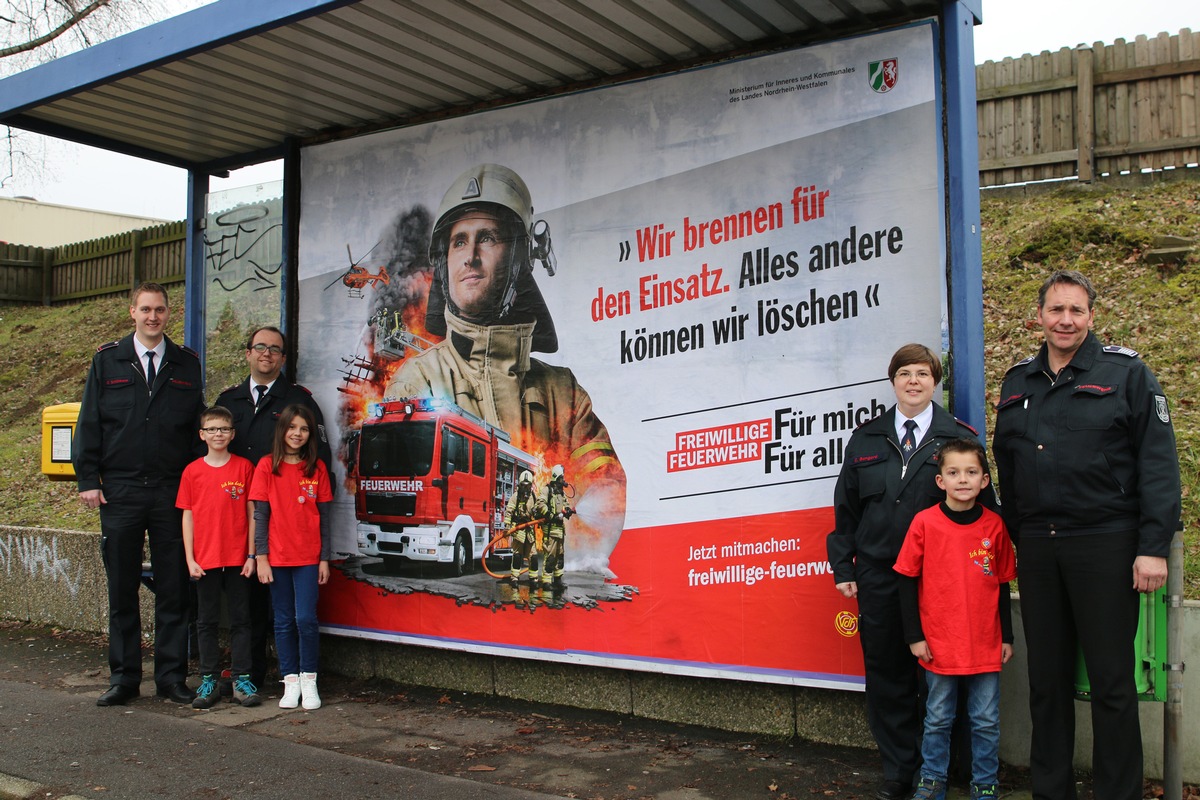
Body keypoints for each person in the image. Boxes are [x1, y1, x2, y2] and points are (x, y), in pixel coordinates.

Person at [992, 269, 1180, 800]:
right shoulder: (1018, 382)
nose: (1065, 320)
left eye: (1076, 310)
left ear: (1091, 316)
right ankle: (1051, 791)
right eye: (1056, 310)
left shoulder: (1126, 374)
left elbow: (1159, 465)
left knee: (1111, 683)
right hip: (1040, 548)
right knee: (1046, 683)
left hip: (1106, 543)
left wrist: (1151, 547)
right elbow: (1006, 462)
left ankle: (1116, 793)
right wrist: (1019, 535)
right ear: (1040, 316)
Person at [384, 163, 625, 576]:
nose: (471, 257)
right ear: (444, 263)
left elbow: (605, 497)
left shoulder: (563, 392)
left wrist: (541, 549)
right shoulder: (415, 381)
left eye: (488, 239)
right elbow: (411, 499)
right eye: (459, 242)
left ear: (517, 258)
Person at [826, 342, 991, 800]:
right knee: (888, 675)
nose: (913, 381)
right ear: (893, 381)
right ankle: (901, 771)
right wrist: (844, 565)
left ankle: (941, 770)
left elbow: (986, 513)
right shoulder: (867, 438)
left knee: (941, 674)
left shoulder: (958, 438)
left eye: (922, 373)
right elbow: (846, 510)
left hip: (941, 581)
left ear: (935, 381)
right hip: (879, 576)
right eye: (905, 374)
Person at [73, 281, 204, 707]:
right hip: (122, 491)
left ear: (169, 314)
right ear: (133, 312)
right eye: (145, 309)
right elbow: (89, 422)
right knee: (122, 589)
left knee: (174, 588)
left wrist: (197, 485)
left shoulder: (186, 364)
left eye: (160, 310)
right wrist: (88, 479)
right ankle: (124, 678)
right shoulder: (107, 360)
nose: (153, 317)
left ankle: (170, 677)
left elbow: (193, 432)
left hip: (170, 491)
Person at [893, 438, 1016, 800]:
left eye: (971, 472)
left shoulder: (994, 527)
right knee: (938, 719)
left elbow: (1004, 585)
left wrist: (1007, 636)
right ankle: (932, 780)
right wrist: (914, 636)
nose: (963, 479)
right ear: (940, 481)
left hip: (985, 642)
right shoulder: (924, 523)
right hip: (939, 643)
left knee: (985, 720)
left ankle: (985, 782)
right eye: (953, 472)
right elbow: (905, 578)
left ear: (984, 481)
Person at [216, 325, 331, 693]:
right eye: (260, 347)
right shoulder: (228, 401)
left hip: (288, 527)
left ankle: (290, 675)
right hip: (238, 516)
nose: (267, 354)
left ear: (283, 358)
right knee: (244, 601)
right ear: (248, 353)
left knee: (289, 611)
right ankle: (246, 675)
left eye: (275, 349)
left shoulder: (299, 400)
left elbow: (318, 458)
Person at [250, 404, 333, 711]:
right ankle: (290, 681)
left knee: (306, 619)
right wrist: (261, 556)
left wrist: (324, 558)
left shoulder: (317, 468)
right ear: (282, 430)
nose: (297, 434)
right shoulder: (266, 466)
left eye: (304, 429)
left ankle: (309, 679)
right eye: (292, 427)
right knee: (283, 621)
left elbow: (324, 519)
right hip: (277, 556)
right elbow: (261, 516)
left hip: (309, 558)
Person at [177, 405, 261, 709]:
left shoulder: (244, 467)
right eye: (212, 429)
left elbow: (253, 513)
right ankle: (209, 679)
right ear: (202, 435)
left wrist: (251, 554)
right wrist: (190, 558)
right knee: (206, 621)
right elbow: (187, 516)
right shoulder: (192, 471)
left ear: (232, 433)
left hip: (239, 558)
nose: (218, 434)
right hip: (205, 559)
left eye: (224, 429)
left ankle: (241, 678)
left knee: (242, 619)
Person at [536, 464, 573, 589]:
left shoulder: (561, 493)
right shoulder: (547, 490)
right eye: (562, 477)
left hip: (560, 530)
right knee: (550, 555)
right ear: (557, 477)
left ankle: (558, 580)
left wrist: (567, 511)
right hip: (550, 529)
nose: (564, 480)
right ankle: (546, 581)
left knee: (560, 555)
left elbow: (566, 504)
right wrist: (550, 515)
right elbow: (540, 503)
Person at [504, 469, 540, 585]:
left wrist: (538, 512)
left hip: (529, 530)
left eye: (528, 485)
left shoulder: (534, 497)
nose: (525, 488)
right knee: (517, 555)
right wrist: (506, 527)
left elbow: (539, 511)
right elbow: (509, 511)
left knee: (533, 556)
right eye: (523, 486)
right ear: (520, 485)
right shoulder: (515, 497)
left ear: (531, 485)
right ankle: (515, 578)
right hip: (518, 529)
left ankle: (533, 579)